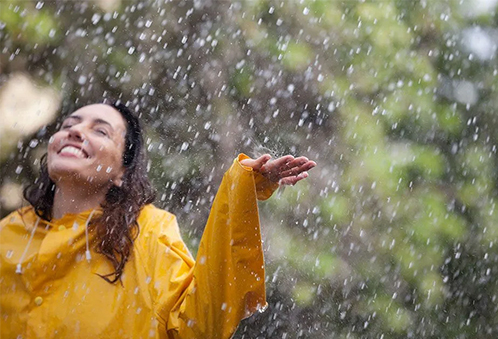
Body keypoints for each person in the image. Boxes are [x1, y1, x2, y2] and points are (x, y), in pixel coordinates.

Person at [0, 101, 316, 338]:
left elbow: (201, 322)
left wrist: (242, 186)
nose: (75, 131)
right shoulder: (10, 232)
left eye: (100, 131)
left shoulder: (148, 232)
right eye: (69, 124)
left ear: (122, 173)